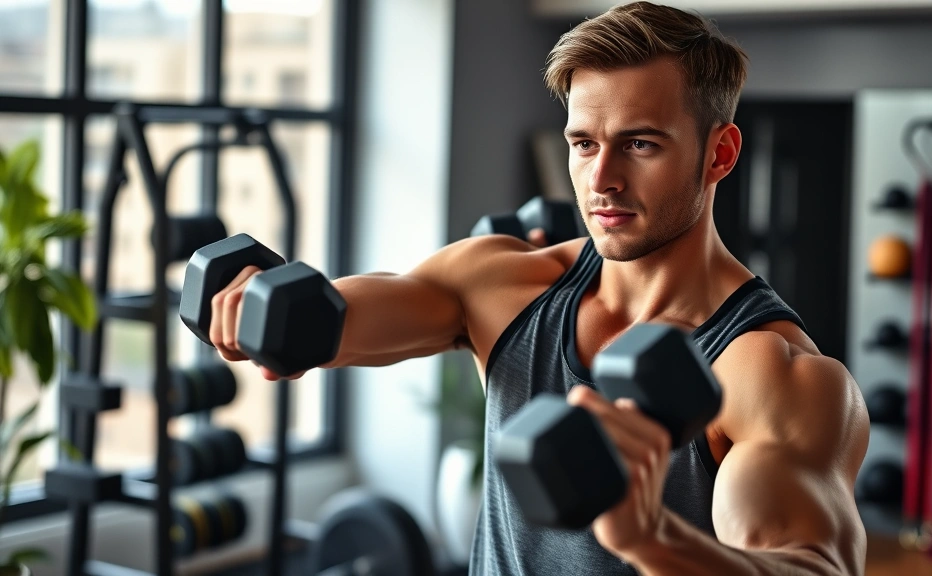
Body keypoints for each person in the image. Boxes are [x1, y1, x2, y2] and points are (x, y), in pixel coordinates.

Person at [208, 2, 870, 574]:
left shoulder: (770, 375)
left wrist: (654, 539)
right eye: (584, 144)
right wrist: (259, 307)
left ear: (719, 154)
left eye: (639, 145)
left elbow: (812, 563)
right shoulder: (506, 286)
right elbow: (346, 314)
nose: (601, 179)